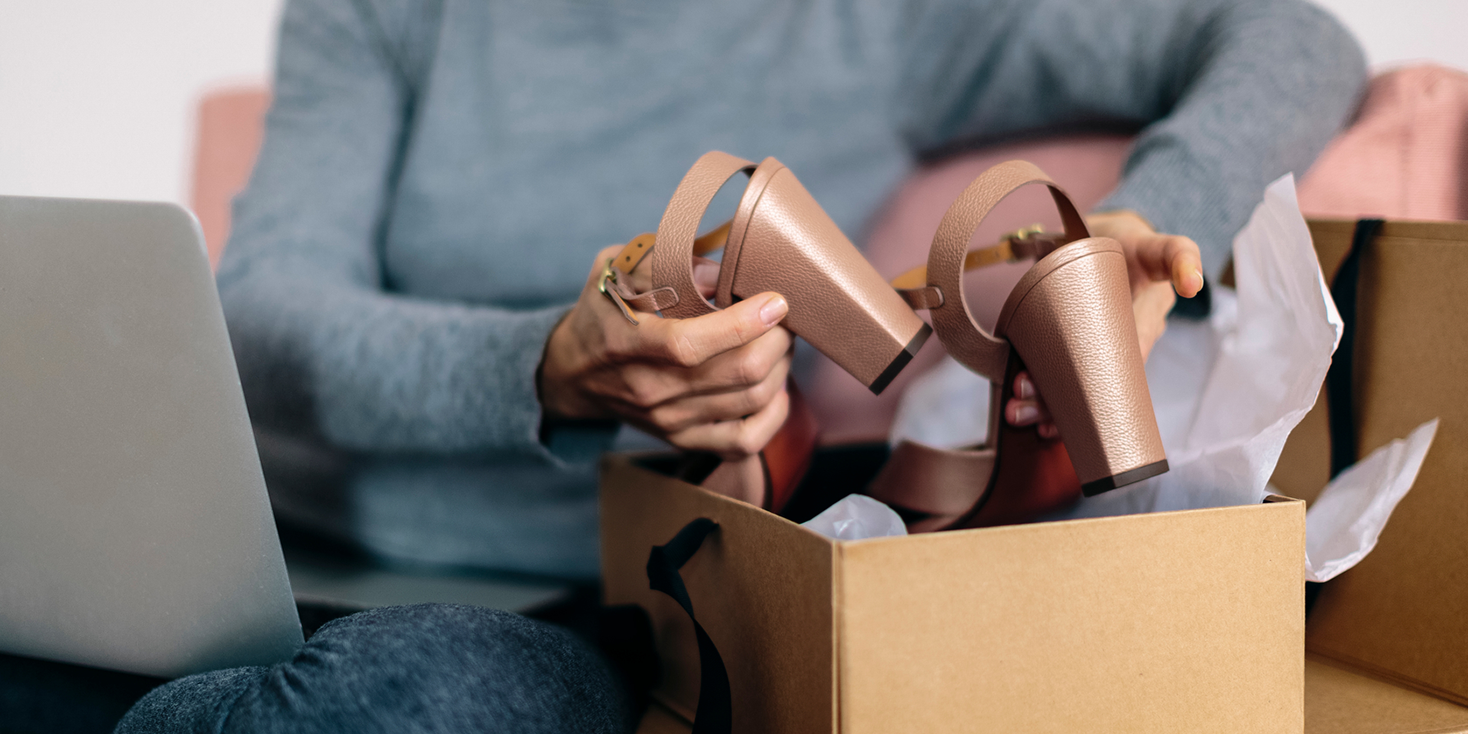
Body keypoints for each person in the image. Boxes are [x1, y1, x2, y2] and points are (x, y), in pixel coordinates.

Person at [111, 0, 1366, 730]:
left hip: (564, 594)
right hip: (262, 550)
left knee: (398, 697)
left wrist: (1148, 223)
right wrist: (548, 363)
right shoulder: (392, 15)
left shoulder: (871, 21)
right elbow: (262, 319)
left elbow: (1291, 37)